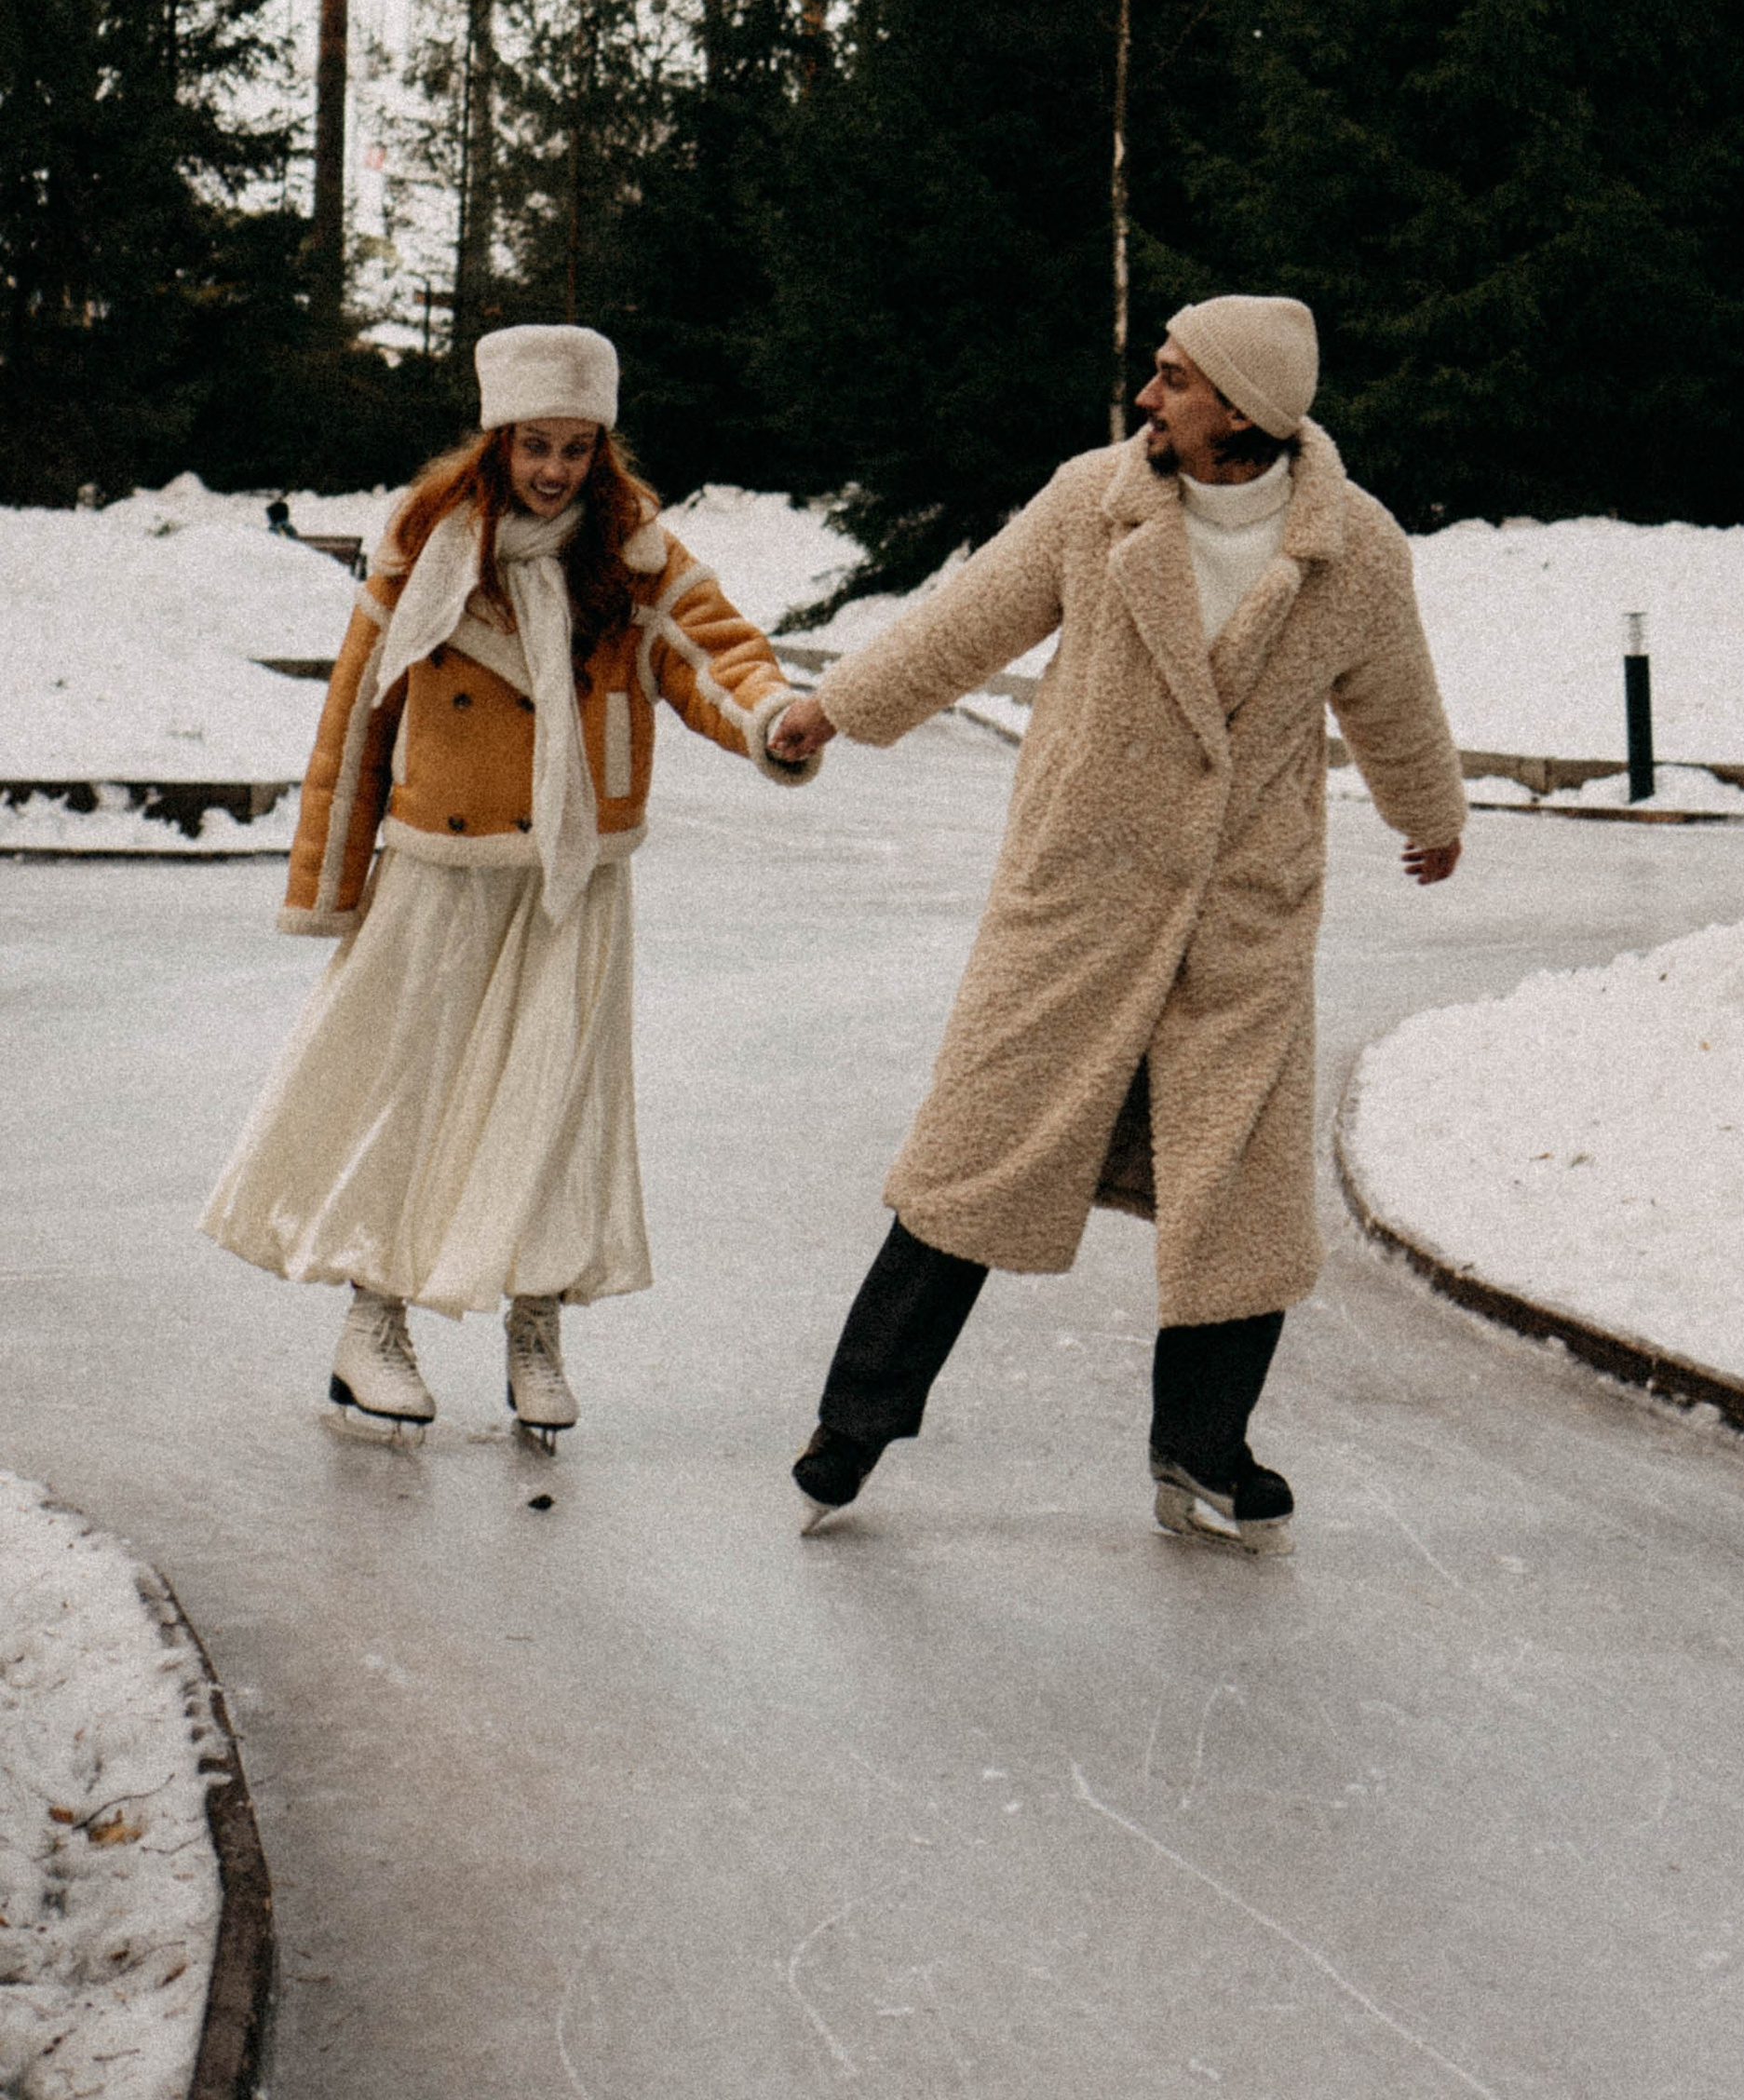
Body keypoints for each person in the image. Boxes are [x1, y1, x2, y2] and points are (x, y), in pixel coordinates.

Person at [769, 292, 1465, 1548]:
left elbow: (1396, 692)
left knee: (1242, 1191)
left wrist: (1429, 813)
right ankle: (853, 1427)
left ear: (1245, 408)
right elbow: (967, 621)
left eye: (1175, 379)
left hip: (1241, 912)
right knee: (972, 1157)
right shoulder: (1098, 504)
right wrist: (840, 706)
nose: (1149, 397)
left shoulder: (1352, 547)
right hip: (1080, 889)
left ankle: (1204, 1446)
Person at [203, 324, 818, 1439]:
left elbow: (713, 650)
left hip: (570, 874)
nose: (554, 471)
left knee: (554, 1099)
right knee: (406, 1094)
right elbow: (359, 711)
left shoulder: (632, 551)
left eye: (578, 448)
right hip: (438, 867)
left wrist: (773, 718)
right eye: (535, 444)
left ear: (602, 448)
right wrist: (329, 879)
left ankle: (535, 1322)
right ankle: (371, 1323)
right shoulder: (425, 543)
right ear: (496, 440)